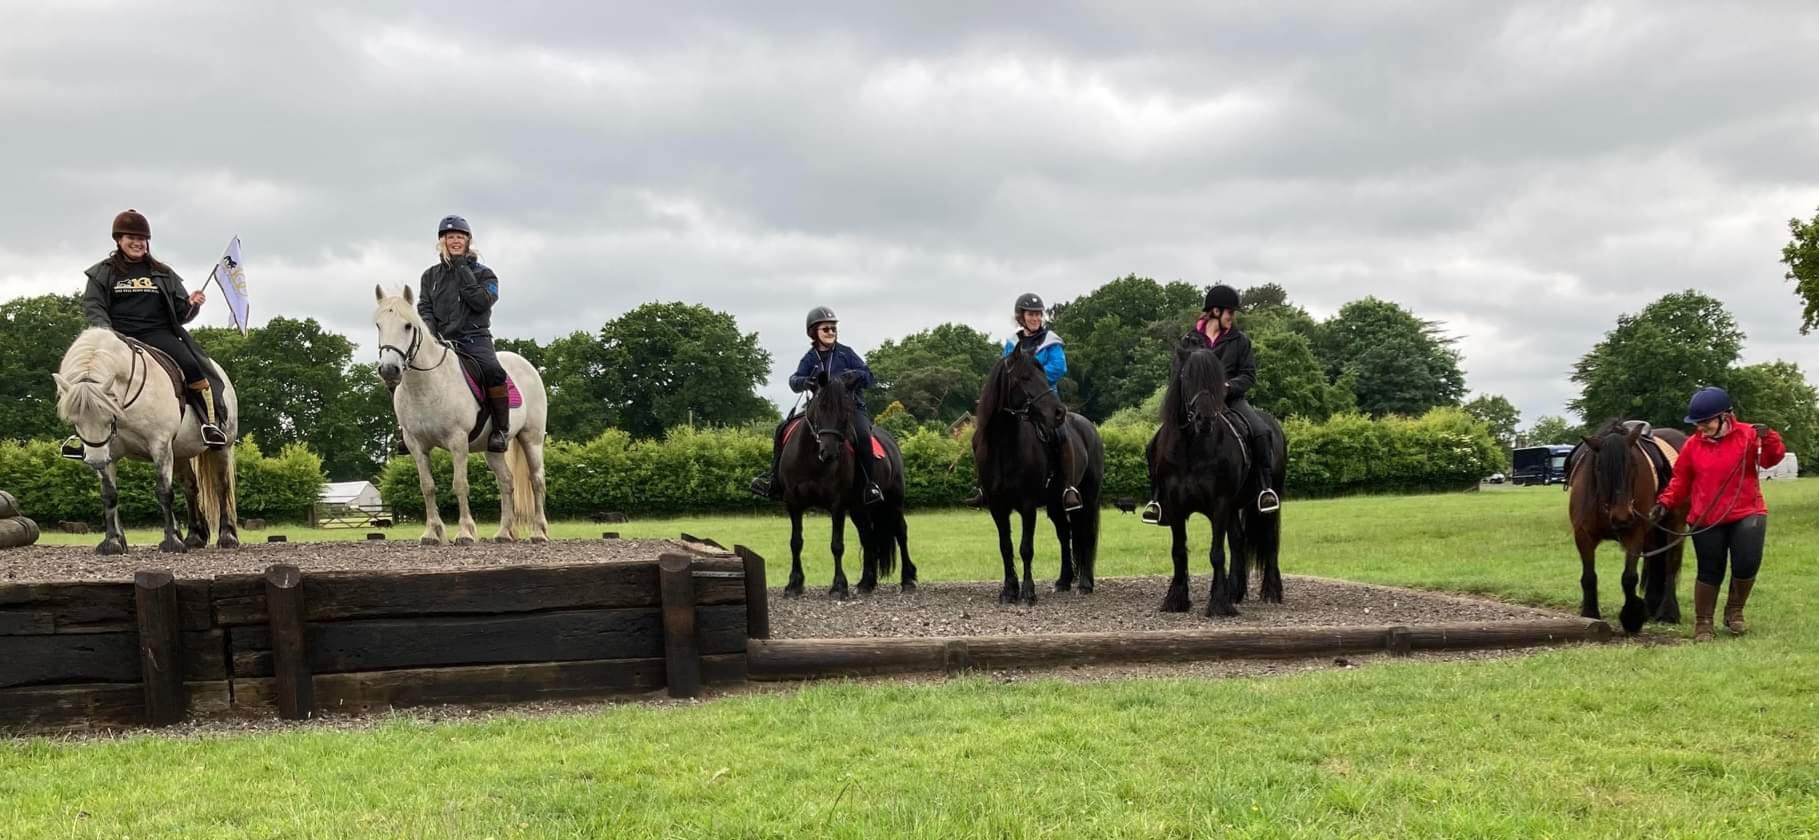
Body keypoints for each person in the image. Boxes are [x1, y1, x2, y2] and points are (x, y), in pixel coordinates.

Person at [78, 209, 228, 450]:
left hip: (157, 334)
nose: (137, 243)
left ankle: (209, 423)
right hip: (117, 338)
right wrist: (105, 334)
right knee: (85, 377)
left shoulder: (163, 273)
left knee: (192, 366)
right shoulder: (102, 273)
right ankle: (80, 436)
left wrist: (192, 304)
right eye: (131, 238)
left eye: (142, 239)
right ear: (119, 240)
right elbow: (94, 306)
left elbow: (182, 314)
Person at [1651, 386, 1786, 642]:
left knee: (1747, 563)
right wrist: (1665, 503)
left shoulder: (1748, 435)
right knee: (1710, 569)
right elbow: (1680, 481)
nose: (1701, 427)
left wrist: (1769, 438)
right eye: (1697, 423)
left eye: (1705, 422)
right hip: (1707, 516)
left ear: (1725, 416)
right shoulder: (1692, 446)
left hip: (1747, 510)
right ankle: (1703, 623)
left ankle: (1734, 611)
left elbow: (1771, 459)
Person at [1140, 283, 1279, 524]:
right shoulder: (1190, 340)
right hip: (1196, 405)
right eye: (1230, 312)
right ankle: (1157, 499)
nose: (1232, 318)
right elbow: (1177, 376)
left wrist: (1227, 387)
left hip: (1230, 401)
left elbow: (1248, 375)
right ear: (1216, 311)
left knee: (1262, 432)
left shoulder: (1240, 341)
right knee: (1154, 444)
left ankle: (1265, 489)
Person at [748, 306, 884, 505]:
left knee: (863, 435)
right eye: (826, 329)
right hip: (820, 411)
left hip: (851, 409)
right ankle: (775, 481)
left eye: (833, 328)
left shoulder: (847, 354)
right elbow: (794, 379)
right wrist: (805, 382)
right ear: (814, 333)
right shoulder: (810, 358)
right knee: (782, 429)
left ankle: (869, 486)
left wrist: (854, 376)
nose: (831, 332)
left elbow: (869, 376)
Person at [964, 293, 1081, 511]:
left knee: (1062, 433)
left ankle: (1068, 487)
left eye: (1038, 314)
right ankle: (983, 486)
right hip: (1017, 403)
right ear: (1022, 317)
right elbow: (1005, 372)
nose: (1035, 318)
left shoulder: (1052, 341)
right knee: (981, 437)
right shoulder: (1012, 344)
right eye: (1031, 314)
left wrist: (1034, 379)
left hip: (1044, 398)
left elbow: (1059, 367)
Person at [415, 214, 510, 453]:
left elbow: (481, 303)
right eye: (450, 237)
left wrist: (461, 267)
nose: (455, 241)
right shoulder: (429, 276)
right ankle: (408, 429)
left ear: (468, 241)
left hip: (475, 339)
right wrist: (431, 334)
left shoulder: (485, 275)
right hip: (441, 341)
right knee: (403, 370)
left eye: (459, 237)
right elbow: (424, 307)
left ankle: (500, 429)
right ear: (442, 241)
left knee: (493, 371)